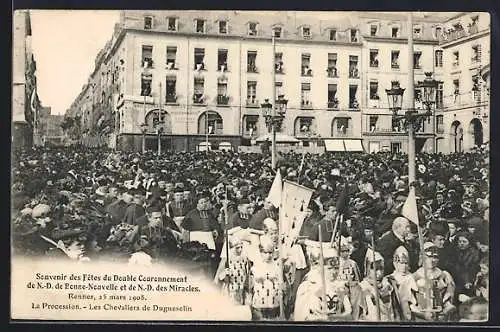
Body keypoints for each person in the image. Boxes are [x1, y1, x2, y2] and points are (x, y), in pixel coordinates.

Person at [294, 248, 352, 321]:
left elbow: (349, 313)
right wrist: (321, 319)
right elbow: (301, 316)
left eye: (336, 268)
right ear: (320, 268)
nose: (334, 272)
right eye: (329, 268)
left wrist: (335, 318)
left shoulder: (341, 288)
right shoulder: (308, 287)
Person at [406, 242, 457, 322]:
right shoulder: (413, 278)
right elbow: (409, 302)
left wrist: (446, 310)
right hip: (421, 317)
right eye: (429, 257)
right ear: (422, 257)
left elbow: (448, 296)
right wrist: (422, 314)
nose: (432, 260)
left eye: (435, 257)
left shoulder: (444, 276)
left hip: (440, 317)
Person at [358, 249, 400, 321]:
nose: (379, 273)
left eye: (381, 268)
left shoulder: (388, 283)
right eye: (375, 269)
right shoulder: (362, 287)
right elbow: (359, 314)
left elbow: (395, 309)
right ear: (368, 269)